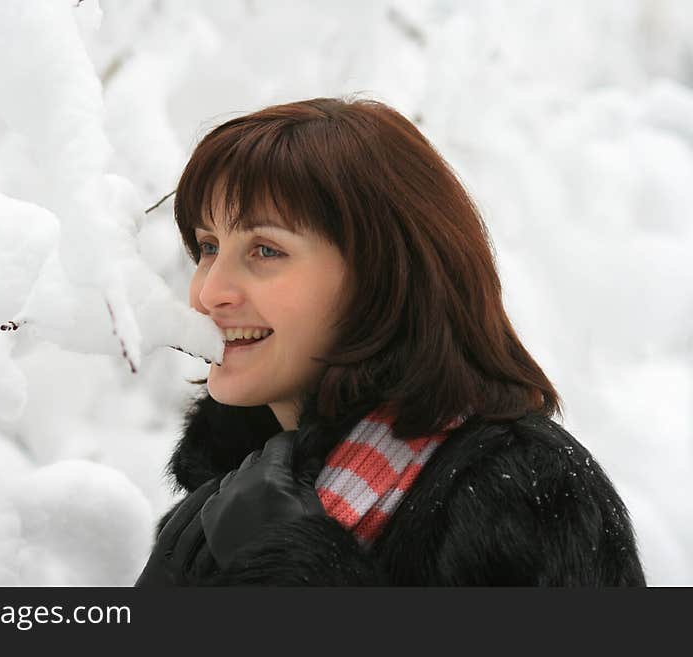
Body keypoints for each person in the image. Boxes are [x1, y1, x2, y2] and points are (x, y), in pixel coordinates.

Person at [135, 97, 646, 586]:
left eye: (266, 250)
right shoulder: (220, 509)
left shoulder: (530, 492)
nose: (208, 291)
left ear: (383, 279)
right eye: (208, 246)